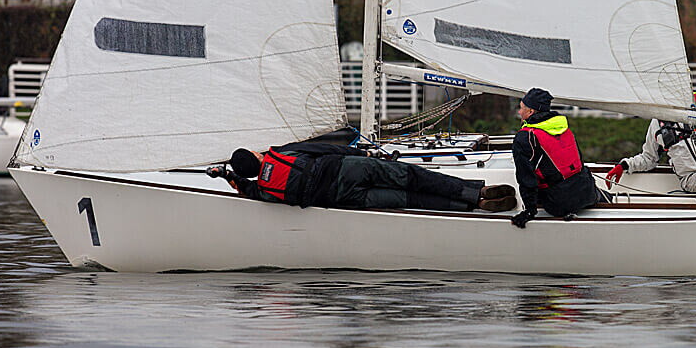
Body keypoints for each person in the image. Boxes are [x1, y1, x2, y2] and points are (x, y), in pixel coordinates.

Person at [210, 133, 518, 212]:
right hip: (350, 169)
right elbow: (325, 149)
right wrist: (363, 154)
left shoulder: (265, 191)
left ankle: (477, 205)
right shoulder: (282, 153)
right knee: (413, 177)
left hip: (343, 198)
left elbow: (247, 190)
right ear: (256, 156)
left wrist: (228, 177)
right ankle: (475, 191)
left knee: (409, 199)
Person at [510, 88, 604, 228]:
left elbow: (526, 178)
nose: (519, 112)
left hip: (559, 204)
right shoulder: (563, 127)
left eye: (521, 108)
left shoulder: (525, 137)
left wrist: (529, 211)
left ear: (531, 112)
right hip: (587, 192)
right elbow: (578, 162)